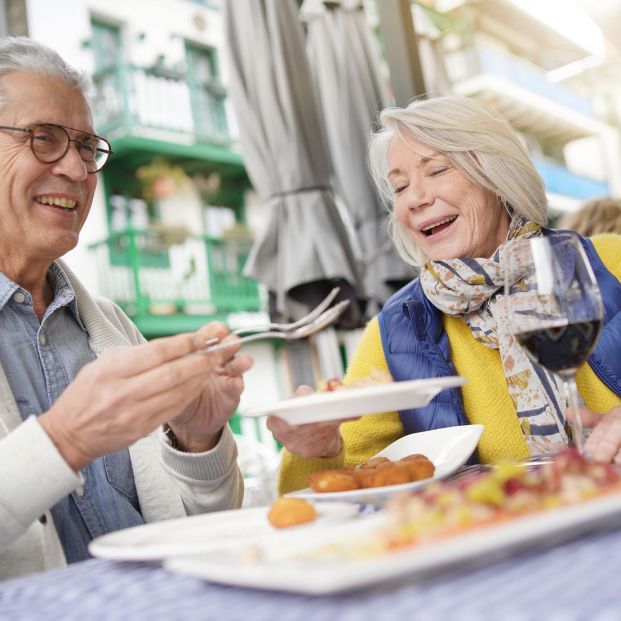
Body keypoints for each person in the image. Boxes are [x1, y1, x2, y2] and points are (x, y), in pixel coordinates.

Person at [269, 95, 621, 494]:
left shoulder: (610, 262)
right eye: (399, 187)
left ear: (496, 175)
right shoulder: (396, 330)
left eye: (436, 170)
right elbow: (336, 487)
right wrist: (316, 448)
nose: (415, 199)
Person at [0, 37, 253, 580]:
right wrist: (64, 440)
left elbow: (208, 529)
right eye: (44, 139)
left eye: (87, 147)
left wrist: (198, 439)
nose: (76, 169)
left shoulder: (111, 327)